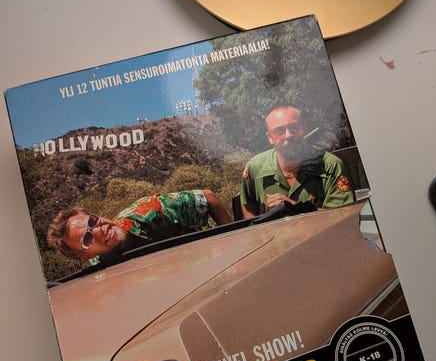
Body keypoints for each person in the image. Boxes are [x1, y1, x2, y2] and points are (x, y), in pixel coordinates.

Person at [47, 189, 232, 263]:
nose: (99, 229)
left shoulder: (152, 210)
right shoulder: (98, 270)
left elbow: (207, 197)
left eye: (92, 221)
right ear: (87, 255)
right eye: (87, 238)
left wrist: (232, 246)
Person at [240, 105, 354, 218]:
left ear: (305, 128)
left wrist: (294, 207)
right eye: (279, 131)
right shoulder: (255, 168)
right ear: (270, 138)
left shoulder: (330, 165)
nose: (288, 135)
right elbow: (248, 207)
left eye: (294, 128)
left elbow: (344, 215)